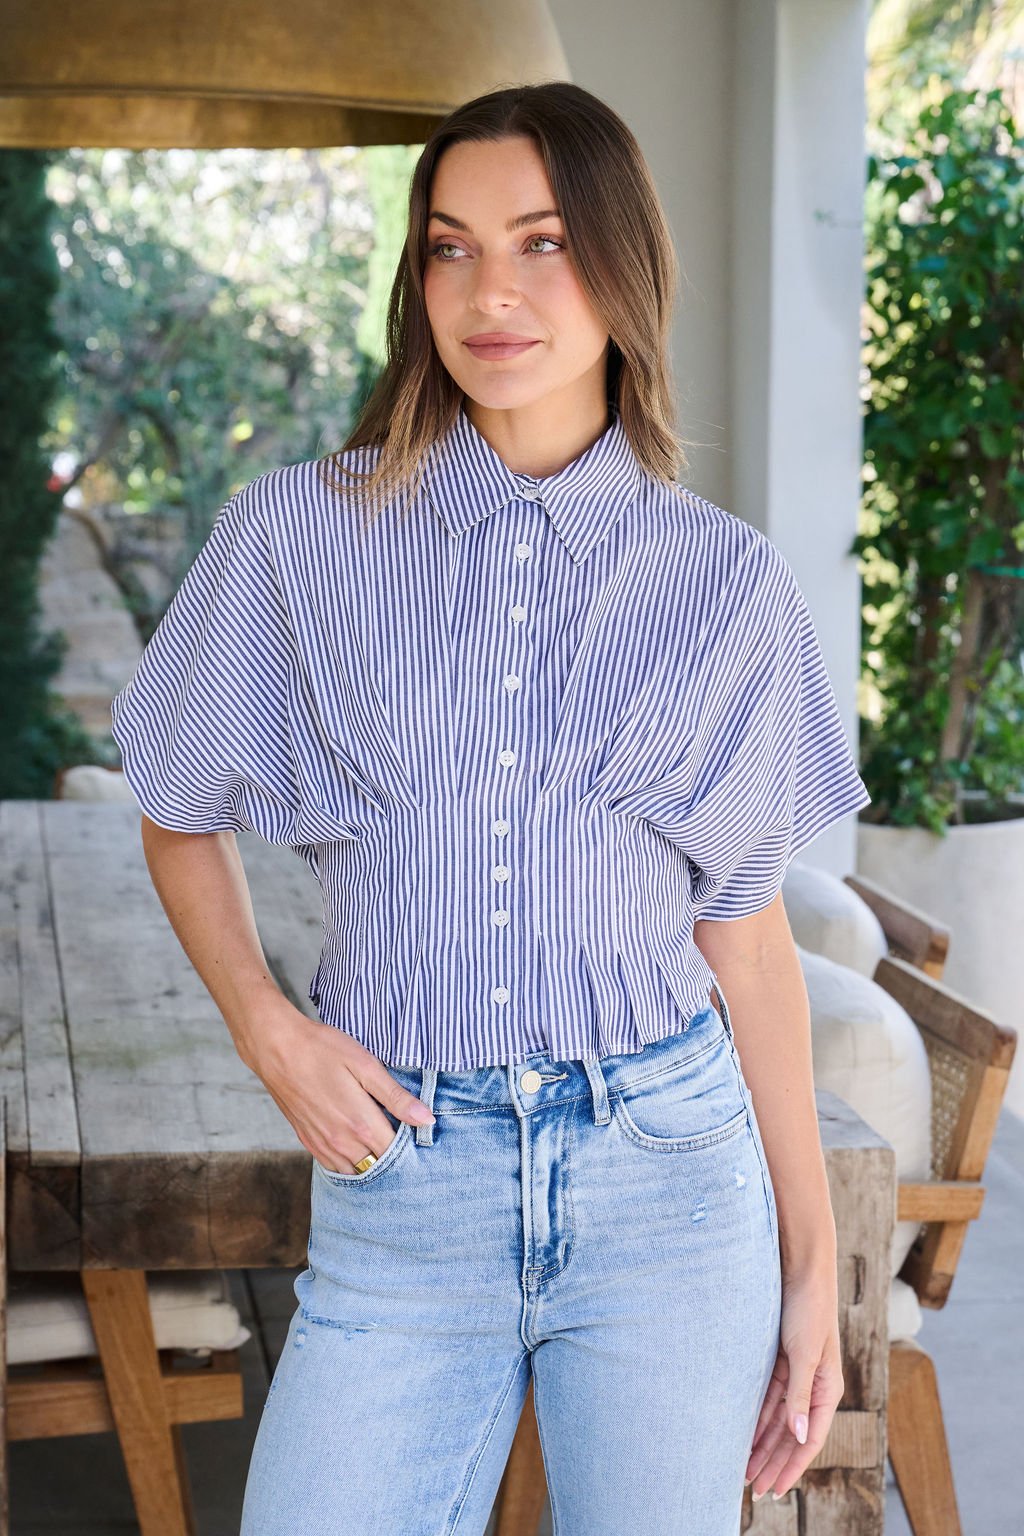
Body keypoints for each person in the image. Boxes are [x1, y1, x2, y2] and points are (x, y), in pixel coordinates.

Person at [110, 81, 871, 1536]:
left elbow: (745, 929)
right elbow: (172, 797)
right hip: (409, 1188)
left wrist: (809, 1262)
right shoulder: (295, 534)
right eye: (451, 247)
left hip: (669, 1182)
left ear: (622, 268)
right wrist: (270, 1030)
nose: (491, 291)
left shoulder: (725, 584)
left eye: (541, 242)